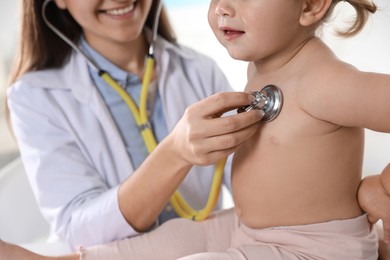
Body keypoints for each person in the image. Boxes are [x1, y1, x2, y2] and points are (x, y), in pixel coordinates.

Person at [2, 0, 390, 259]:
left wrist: (383, 188)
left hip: (311, 248)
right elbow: (77, 223)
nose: (222, 7)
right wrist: (174, 152)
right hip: (247, 228)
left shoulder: (325, 80)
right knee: (165, 243)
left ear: (309, 5)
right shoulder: (263, 65)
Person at [5, 0, 264, 250]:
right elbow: (79, 232)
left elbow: (252, 181)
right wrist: (174, 154)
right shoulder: (35, 96)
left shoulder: (199, 70)